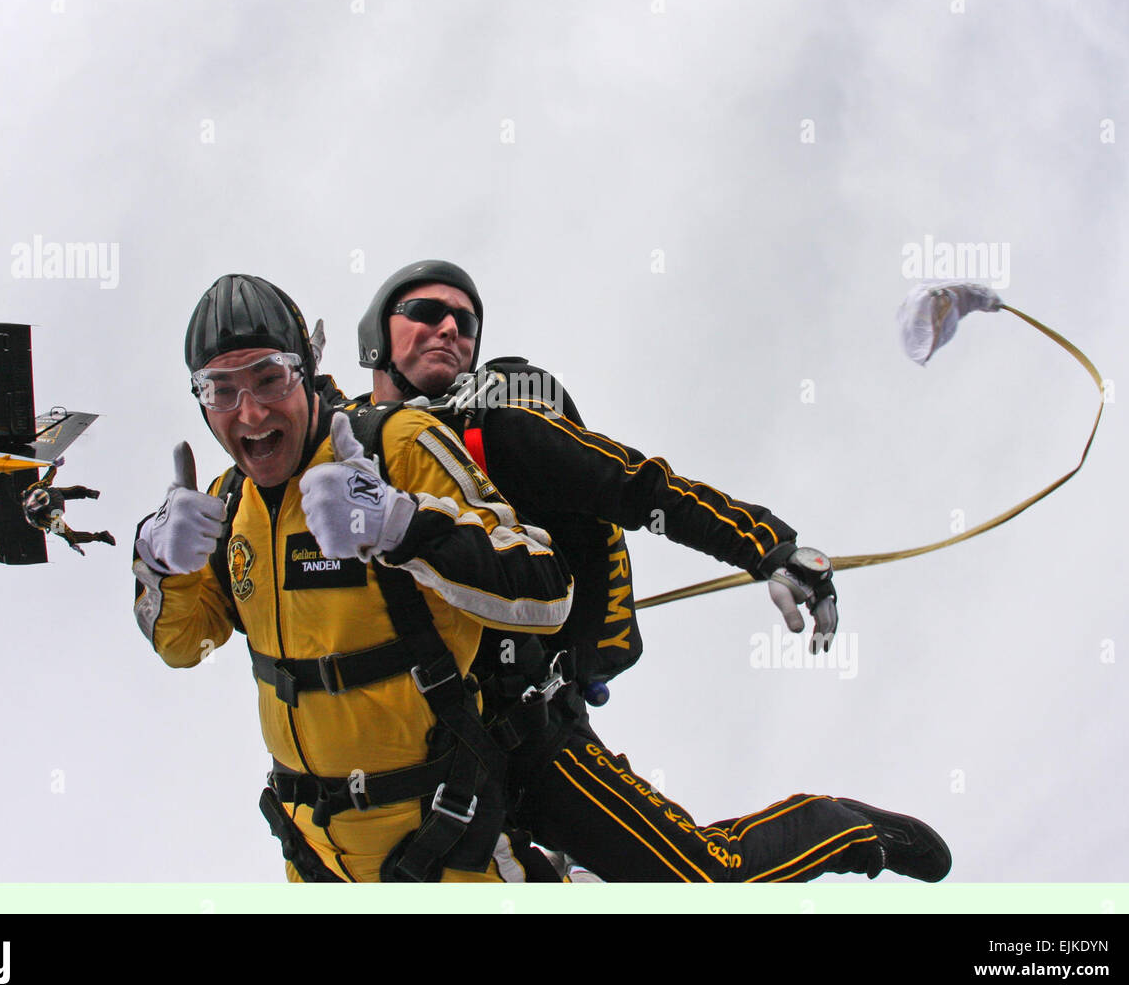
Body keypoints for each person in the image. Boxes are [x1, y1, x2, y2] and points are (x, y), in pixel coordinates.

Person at [347, 259, 952, 883]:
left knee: (701, 883)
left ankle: (837, 825)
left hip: (526, 736)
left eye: (465, 321)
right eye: (425, 312)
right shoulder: (329, 448)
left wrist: (769, 547)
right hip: (406, 749)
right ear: (375, 335)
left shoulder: (496, 431)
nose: (451, 328)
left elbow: (637, 486)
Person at [132, 274, 574, 883]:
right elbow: (183, 645)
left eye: (269, 377)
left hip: (450, 850)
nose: (251, 411)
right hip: (315, 861)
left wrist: (401, 525)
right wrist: (160, 566)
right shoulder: (225, 507)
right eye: (221, 390)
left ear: (307, 369)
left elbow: (548, 591)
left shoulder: (398, 446)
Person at [21, 457, 116, 556]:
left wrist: (54, 467)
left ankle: (88, 493)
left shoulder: (46, 513)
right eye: (33, 502)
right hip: (53, 503)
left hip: (54, 500)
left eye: (35, 504)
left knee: (72, 492)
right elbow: (45, 481)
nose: (32, 504)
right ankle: (100, 537)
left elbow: (46, 481)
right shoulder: (32, 492)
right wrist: (72, 543)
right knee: (72, 536)